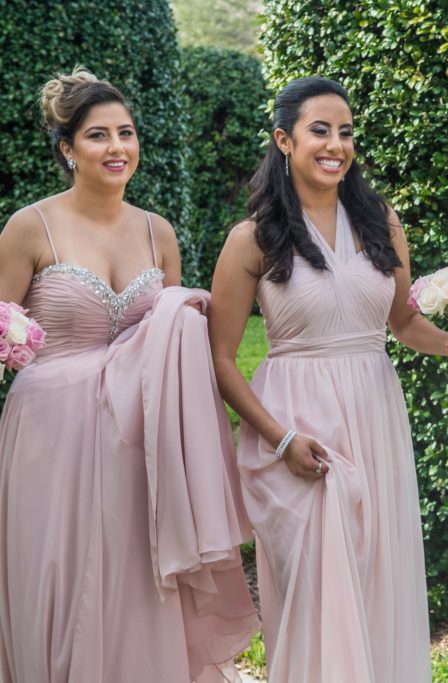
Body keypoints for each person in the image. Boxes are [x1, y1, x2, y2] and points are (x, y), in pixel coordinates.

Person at [0, 67, 258, 683]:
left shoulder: (157, 232)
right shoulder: (28, 228)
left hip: (138, 439)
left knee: (136, 574)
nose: (117, 147)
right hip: (49, 437)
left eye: (127, 133)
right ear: (67, 149)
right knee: (54, 572)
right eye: (97, 136)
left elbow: (173, 339)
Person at [209, 76, 448, 682]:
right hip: (297, 430)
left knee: (377, 576)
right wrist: (281, 439)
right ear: (283, 140)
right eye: (320, 130)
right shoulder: (253, 238)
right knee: (314, 590)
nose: (336, 144)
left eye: (345, 132)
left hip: (374, 412)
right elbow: (219, 357)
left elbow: (403, 320)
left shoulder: (380, 222)